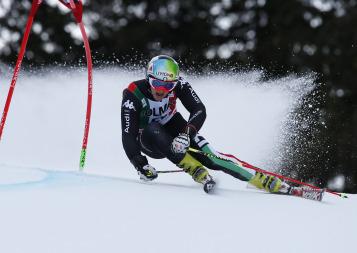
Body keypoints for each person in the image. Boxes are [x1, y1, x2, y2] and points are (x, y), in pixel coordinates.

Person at [121, 55, 288, 194]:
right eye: (157, 83)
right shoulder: (133, 93)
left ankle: (265, 180)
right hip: (148, 140)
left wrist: (186, 135)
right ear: (148, 78)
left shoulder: (180, 84)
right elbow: (128, 133)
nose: (162, 90)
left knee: (212, 158)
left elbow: (199, 109)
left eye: (168, 86)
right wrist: (140, 164)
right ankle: (195, 170)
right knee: (153, 129)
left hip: (173, 125)